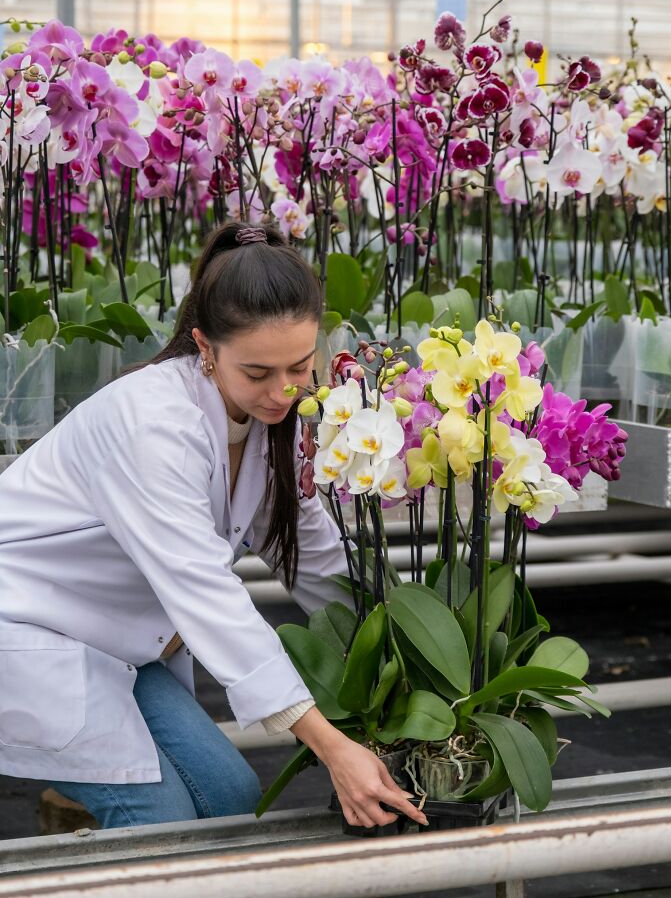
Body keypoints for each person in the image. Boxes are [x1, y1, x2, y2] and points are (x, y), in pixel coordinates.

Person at [0, 221, 427, 832]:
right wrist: (332, 747)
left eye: (300, 367)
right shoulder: (151, 425)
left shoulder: (270, 419)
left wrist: (408, 651)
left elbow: (314, 555)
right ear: (204, 346)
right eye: (258, 373)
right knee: (164, 822)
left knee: (228, 795)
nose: (283, 392)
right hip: (26, 631)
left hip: (112, 641)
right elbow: (204, 590)